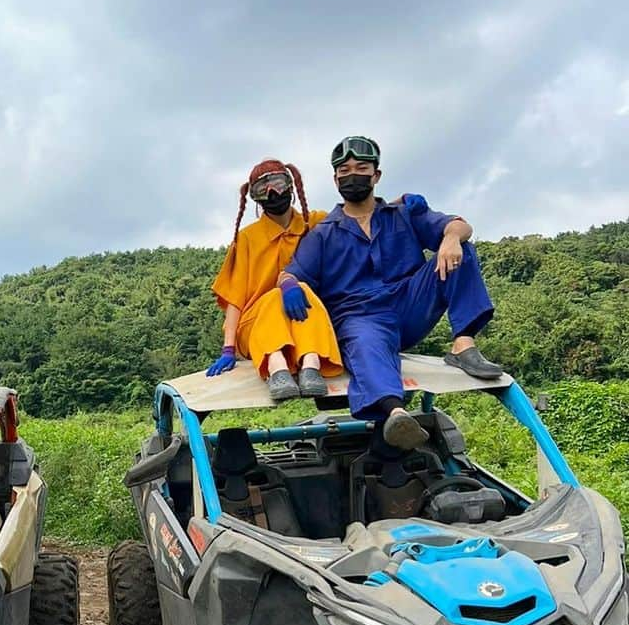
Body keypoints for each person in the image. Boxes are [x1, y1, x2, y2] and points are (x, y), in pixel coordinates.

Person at [280, 135, 503, 450]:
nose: (352, 174)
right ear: (335, 179)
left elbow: (460, 225)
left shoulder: (404, 214)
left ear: (376, 175)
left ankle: (463, 345)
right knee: (364, 341)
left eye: (361, 167)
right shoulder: (323, 234)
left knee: (462, 249)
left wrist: (451, 238)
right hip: (359, 317)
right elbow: (292, 272)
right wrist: (288, 284)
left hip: (409, 303)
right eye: (344, 170)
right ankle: (396, 414)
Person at [207, 160, 343, 399]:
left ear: (291, 185)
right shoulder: (247, 238)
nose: (272, 193)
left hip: (305, 317)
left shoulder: (316, 223)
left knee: (301, 288)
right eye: (262, 188)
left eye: (278, 184)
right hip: (257, 323)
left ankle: (311, 363)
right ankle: (276, 366)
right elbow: (235, 299)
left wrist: (399, 203)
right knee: (275, 296)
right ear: (254, 197)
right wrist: (228, 348)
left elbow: (357, 215)